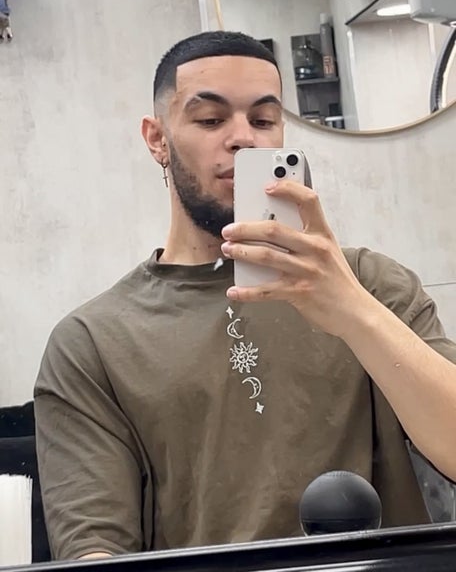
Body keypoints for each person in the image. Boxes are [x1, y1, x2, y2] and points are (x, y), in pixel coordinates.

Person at [35, 31, 456, 561]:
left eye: (263, 119)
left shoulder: (371, 285)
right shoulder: (92, 343)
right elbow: (93, 548)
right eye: (211, 120)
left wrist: (351, 309)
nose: (243, 139)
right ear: (157, 139)